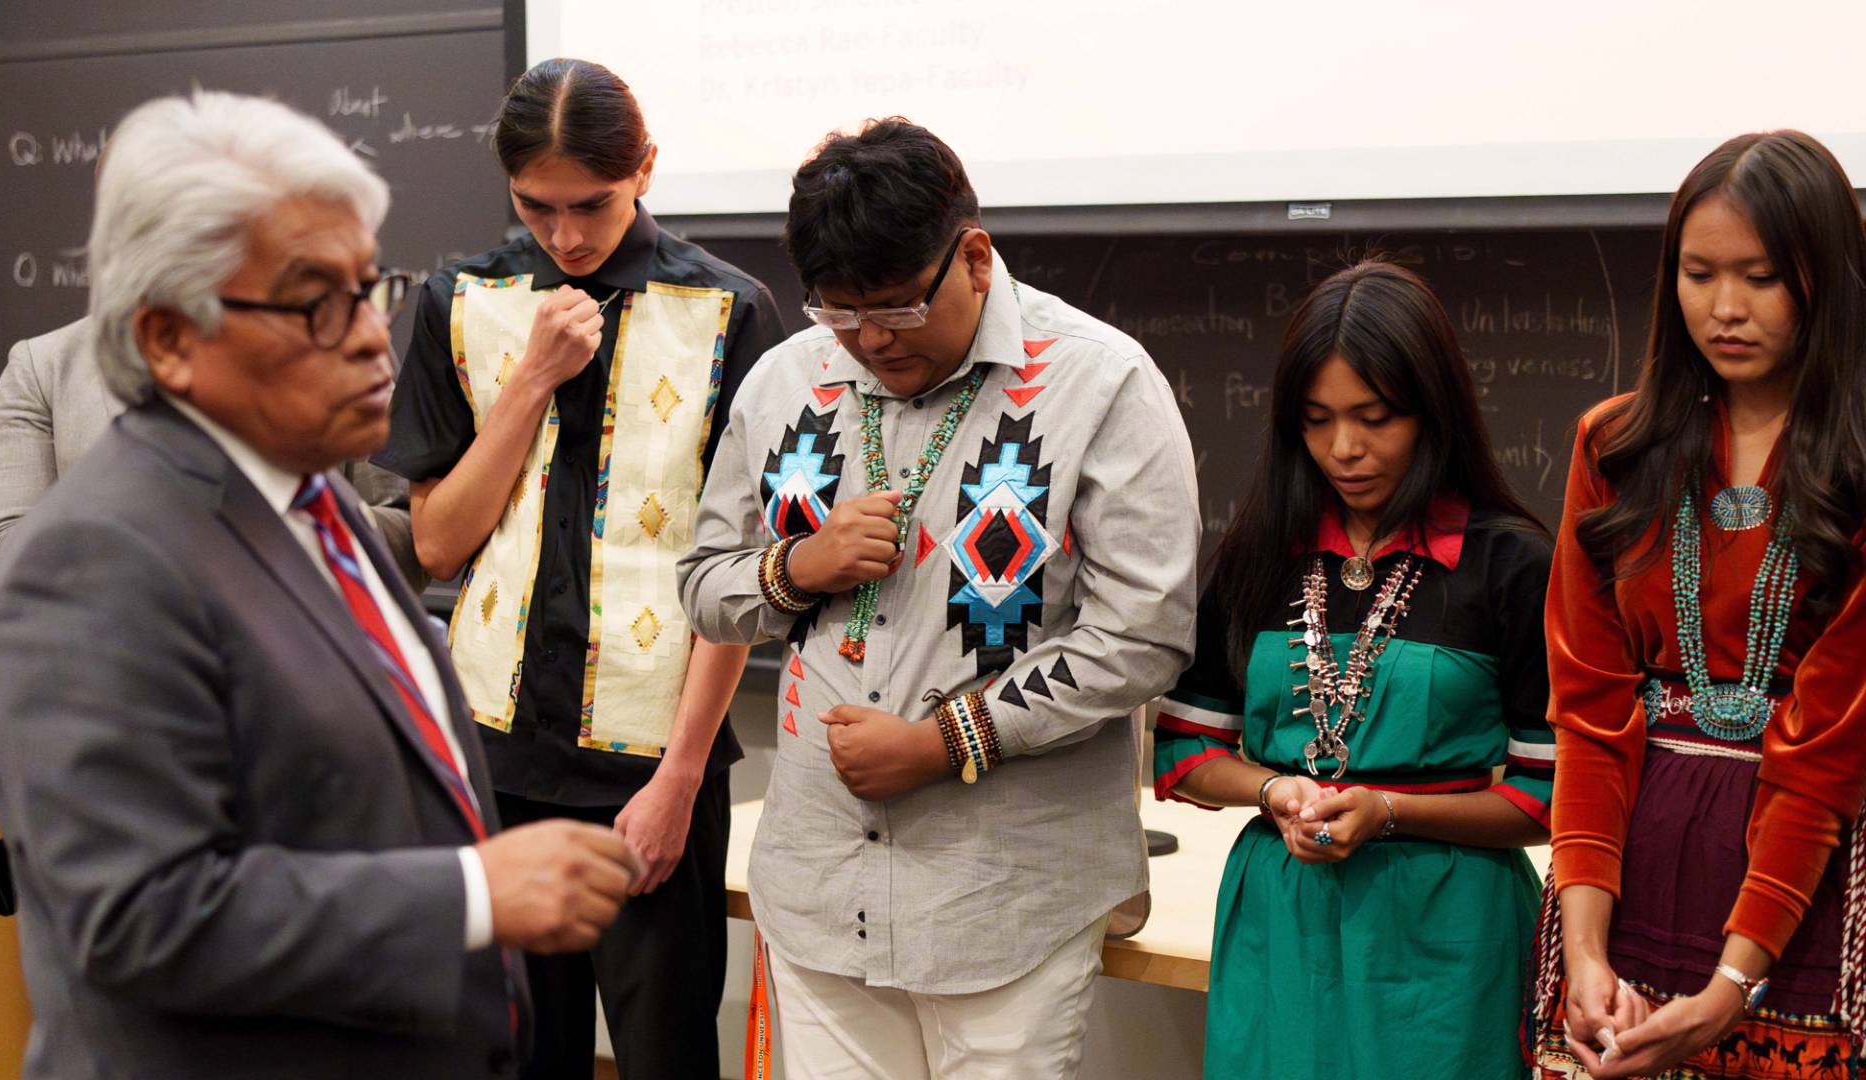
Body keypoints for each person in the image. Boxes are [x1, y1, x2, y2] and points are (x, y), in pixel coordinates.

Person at [0, 90, 638, 1080]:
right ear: (168, 339)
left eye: (368, 290)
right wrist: (469, 894)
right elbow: (141, 917)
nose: (374, 337)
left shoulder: (314, 505)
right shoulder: (95, 561)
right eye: (315, 305)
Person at [678, 117, 1200, 1079]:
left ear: (972, 256)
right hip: (819, 888)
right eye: (839, 312)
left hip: (1006, 902)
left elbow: (1143, 637)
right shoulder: (786, 383)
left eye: (896, 309)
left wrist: (946, 741)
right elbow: (703, 587)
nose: (870, 341)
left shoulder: (1100, 383)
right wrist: (796, 568)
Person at [376, 58, 784, 1079]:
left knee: (666, 1057)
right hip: (490, 751)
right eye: (537, 206)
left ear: (644, 168)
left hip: (653, 761)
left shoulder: (730, 312)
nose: (566, 235)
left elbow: (743, 574)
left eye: (592, 205)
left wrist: (680, 778)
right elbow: (436, 544)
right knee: (510, 1055)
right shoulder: (458, 300)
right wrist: (530, 382)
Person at [1153, 261, 1556, 1078]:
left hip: (1450, 931)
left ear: (1433, 411)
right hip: (1281, 915)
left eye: (1376, 418)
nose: (1345, 449)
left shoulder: (1509, 564)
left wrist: (1390, 810)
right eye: (1317, 420)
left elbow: (1547, 796)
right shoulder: (1262, 553)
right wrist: (1275, 791)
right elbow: (1187, 752)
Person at [1528, 131, 1866, 1079]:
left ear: (1827, 281)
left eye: (1762, 277)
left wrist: (1730, 989)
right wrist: (1585, 952)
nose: (1724, 308)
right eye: (1698, 273)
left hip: (1805, 889)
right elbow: (1591, 715)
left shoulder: (1858, 468)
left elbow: (1826, 754)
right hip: (1623, 874)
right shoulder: (1616, 446)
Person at [0, 314, 423, 586]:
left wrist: (297, 529)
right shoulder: (46, 365)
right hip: (115, 686)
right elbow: (2, 547)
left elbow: (414, 531)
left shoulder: (340, 346)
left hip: (304, 684)